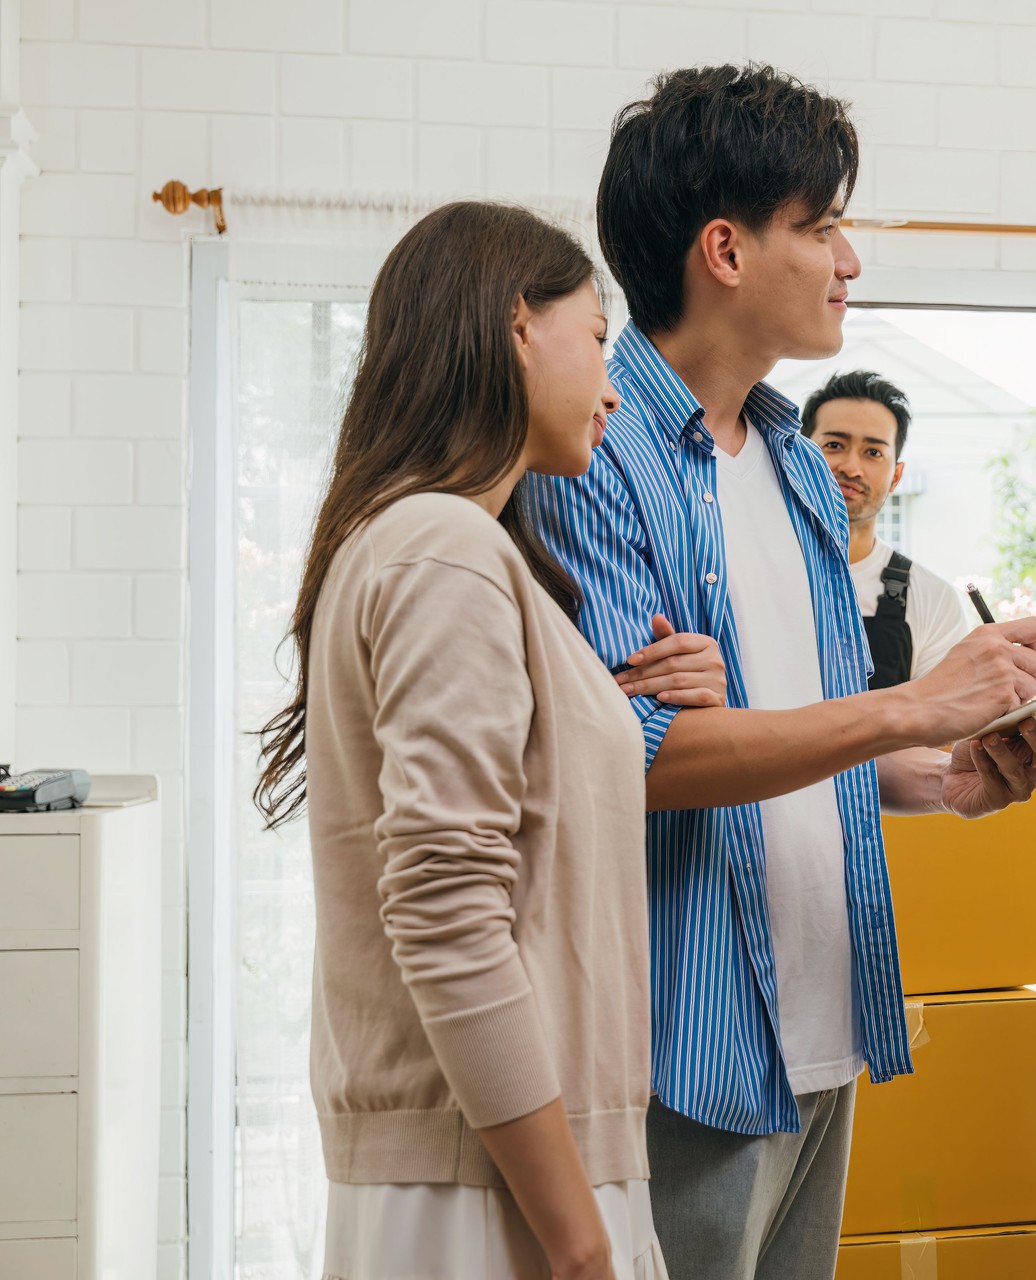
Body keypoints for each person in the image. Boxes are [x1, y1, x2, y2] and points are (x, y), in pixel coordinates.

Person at [519, 65, 1036, 1280]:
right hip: (686, 1045)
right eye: (821, 226)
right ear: (724, 248)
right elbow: (640, 763)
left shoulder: (799, 467)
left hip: (827, 1019)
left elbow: (805, 747)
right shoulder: (592, 458)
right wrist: (912, 703)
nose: (849, 259)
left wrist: (951, 775)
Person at [254, 202, 726, 1280]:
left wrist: (613, 711)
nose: (613, 387)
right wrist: (574, 1239)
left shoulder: (439, 547)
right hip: (499, 1175)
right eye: (599, 339)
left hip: (504, 1156)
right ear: (519, 322)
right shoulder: (444, 547)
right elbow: (446, 909)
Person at [800, 369, 972, 688]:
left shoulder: (934, 600)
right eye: (834, 444)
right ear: (798, 455)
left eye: (874, 452)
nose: (851, 467)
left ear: (896, 476)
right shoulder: (751, 574)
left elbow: (943, 730)